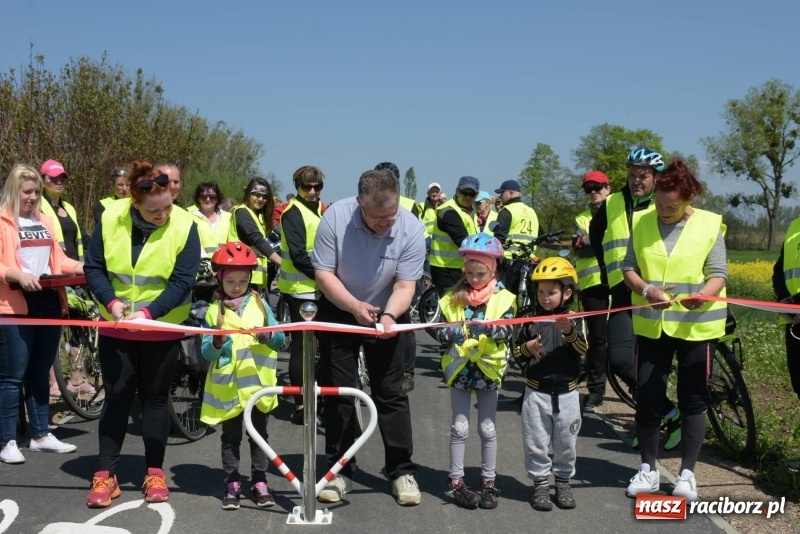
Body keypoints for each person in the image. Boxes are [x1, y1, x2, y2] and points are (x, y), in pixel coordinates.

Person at [84, 160, 201, 508]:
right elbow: (94, 268)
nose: (163, 214)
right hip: (117, 325)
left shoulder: (185, 224)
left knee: (154, 398)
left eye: (167, 206)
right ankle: (105, 474)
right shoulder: (110, 216)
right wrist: (113, 302)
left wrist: (150, 313)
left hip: (160, 327)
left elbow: (183, 280)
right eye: (154, 210)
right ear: (135, 201)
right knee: (118, 395)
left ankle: (154, 472)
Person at [311, 168, 425, 506]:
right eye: (377, 218)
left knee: (391, 394)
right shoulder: (334, 218)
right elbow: (323, 274)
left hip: (389, 309)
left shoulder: (412, 228)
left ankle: (401, 470)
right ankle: (339, 468)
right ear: (360, 203)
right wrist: (353, 306)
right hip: (339, 307)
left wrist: (388, 315)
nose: (384, 224)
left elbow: (405, 286)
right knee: (340, 393)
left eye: (390, 216)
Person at [622, 159, 727, 502]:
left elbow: (718, 274)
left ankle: (687, 475)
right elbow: (629, 268)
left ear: (689, 199)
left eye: (672, 206)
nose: (664, 212)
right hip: (653, 327)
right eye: (659, 204)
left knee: (693, 399)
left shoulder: (710, 225)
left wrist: (703, 295)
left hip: (697, 327)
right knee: (649, 395)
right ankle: (648, 470)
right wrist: (645, 291)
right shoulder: (640, 221)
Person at [589, 148, 680, 449]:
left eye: (643, 176)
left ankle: (648, 424)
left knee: (649, 366)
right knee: (620, 360)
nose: (636, 182)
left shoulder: (662, 205)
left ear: (655, 178)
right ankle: (668, 411)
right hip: (621, 290)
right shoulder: (613, 202)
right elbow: (596, 233)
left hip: (656, 293)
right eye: (631, 176)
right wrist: (606, 272)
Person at [0, 164, 84, 464]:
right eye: (27, 192)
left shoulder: (45, 221)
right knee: (12, 375)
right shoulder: (2, 221)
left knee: (39, 371)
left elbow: (57, 259)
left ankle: (40, 434)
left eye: (36, 192)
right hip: (14, 305)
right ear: (14, 190)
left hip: (48, 300)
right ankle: (8, 439)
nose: (33, 197)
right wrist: (16, 275)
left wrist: (81, 267)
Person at [200, 242, 285, 510]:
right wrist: (216, 342)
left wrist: (268, 335)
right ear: (220, 278)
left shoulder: (261, 305)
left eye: (243, 280)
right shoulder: (213, 312)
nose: (237, 286)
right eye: (231, 280)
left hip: (258, 386)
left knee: (259, 437)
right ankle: (232, 483)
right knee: (231, 438)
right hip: (229, 389)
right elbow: (207, 353)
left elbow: (281, 340)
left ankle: (260, 482)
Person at [436, 233, 515, 509]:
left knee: (487, 428)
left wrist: (494, 329)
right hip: (460, 369)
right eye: (469, 272)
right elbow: (439, 331)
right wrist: (449, 334)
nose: (474, 278)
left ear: (492, 269)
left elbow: (509, 330)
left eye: (480, 273)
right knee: (459, 427)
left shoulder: (504, 298)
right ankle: (456, 481)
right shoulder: (453, 297)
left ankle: (488, 481)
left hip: (487, 370)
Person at [514, 257, 587, 511]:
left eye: (552, 292)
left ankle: (564, 483)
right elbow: (515, 355)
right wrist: (527, 347)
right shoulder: (527, 317)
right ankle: (540, 485)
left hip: (568, 395)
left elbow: (582, 350)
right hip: (536, 392)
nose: (545, 297)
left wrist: (569, 331)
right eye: (541, 291)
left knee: (566, 444)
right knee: (536, 442)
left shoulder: (576, 318)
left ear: (567, 293)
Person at [39, 159, 92, 399]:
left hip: (75, 272)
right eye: (53, 178)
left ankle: (77, 379)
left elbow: (78, 239)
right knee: (54, 329)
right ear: (43, 180)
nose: (58, 182)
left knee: (79, 324)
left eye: (62, 178)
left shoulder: (68, 207)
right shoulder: (37, 205)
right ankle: (53, 383)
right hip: (54, 274)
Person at [278, 165, 326, 424]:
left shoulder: (318, 208)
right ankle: (300, 405)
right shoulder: (292, 214)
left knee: (320, 344)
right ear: (296, 186)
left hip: (318, 287)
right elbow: (298, 256)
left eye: (317, 186)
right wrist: (326, 276)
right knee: (301, 347)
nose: (312, 191)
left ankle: (317, 392)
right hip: (299, 290)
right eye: (306, 186)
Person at [375, 162, 421, 392]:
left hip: (401, 268)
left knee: (404, 325)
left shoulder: (410, 206)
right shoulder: (369, 201)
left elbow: (411, 237)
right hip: (375, 270)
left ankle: (407, 371)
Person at [573, 171, 612, 409]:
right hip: (592, 284)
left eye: (598, 187)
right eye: (589, 189)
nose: (594, 192)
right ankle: (597, 389)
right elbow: (582, 248)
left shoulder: (619, 212)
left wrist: (590, 240)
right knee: (597, 339)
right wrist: (596, 241)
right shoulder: (581, 218)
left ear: (608, 188)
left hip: (620, 280)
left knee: (622, 340)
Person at [228, 177, 281, 293]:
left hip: (254, 277)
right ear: (248, 194)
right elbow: (257, 240)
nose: (261, 199)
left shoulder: (258, 215)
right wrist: (282, 262)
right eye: (256, 194)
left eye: (264, 196)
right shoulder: (242, 212)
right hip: (242, 276)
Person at [429, 176, 480, 297]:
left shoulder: (469, 212)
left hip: (461, 266)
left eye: (471, 194)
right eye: (464, 193)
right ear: (457, 191)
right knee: (451, 309)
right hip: (445, 268)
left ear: (476, 196)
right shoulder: (448, 211)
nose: (467, 197)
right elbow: (463, 240)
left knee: (462, 307)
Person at [773, 222, 800, 402]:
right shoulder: (794, 227)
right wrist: (784, 298)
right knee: (798, 381)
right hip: (795, 320)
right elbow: (779, 270)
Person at [493, 179, 539, 265]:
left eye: (502, 193)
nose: (500, 196)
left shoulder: (507, 211)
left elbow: (499, 239)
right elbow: (539, 235)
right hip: (528, 260)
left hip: (508, 260)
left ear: (510, 193)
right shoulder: (532, 211)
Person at [189, 182, 232, 258]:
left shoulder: (228, 217)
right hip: (201, 266)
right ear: (198, 199)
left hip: (225, 264)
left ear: (217, 199)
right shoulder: (191, 217)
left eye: (212, 197)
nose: (208, 199)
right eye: (203, 197)